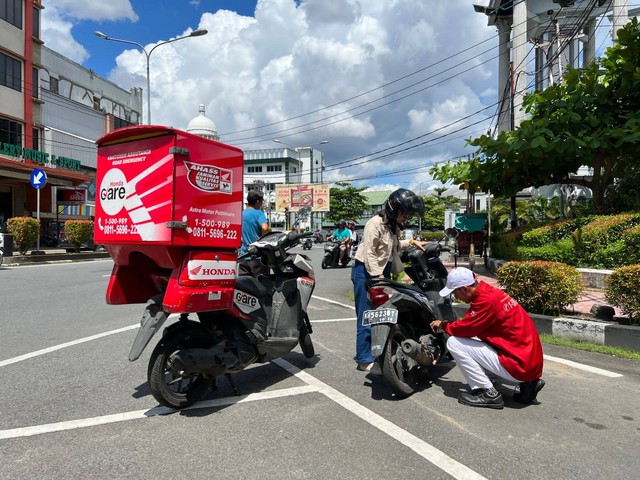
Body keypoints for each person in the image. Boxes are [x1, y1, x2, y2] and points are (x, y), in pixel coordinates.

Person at [430, 267, 544, 409]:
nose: (455, 297)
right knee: (476, 345)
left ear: (465, 289)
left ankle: (488, 393)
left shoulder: (484, 301)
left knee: (454, 343)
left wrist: (443, 325)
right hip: (529, 364)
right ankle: (529, 385)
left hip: (518, 365)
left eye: (455, 292)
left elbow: (463, 329)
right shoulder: (491, 292)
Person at [351, 188, 427, 374]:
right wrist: (378, 276)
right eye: (404, 213)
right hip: (365, 271)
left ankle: (381, 353)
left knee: (385, 313)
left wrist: (410, 243)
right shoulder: (374, 223)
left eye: (408, 214)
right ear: (394, 208)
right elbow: (369, 252)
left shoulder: (393, 226)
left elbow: (392, 247)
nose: (406, 217)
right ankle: (363, 359)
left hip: (381, 270)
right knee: (367, 315)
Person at [238, 189, 270, 277]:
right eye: (261, 202)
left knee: (246, 287)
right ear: (257, 201)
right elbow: (265, 227)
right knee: (262, 287)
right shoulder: (258, 213)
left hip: (243, 257)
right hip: (257, 258)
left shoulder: (241, 214)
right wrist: (266, 240)